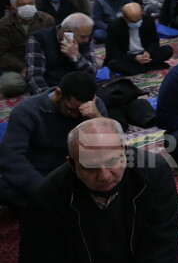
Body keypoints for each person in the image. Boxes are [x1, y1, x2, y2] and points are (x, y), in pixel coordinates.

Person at [18, 117, 178, 263]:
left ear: (124, 152)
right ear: (72, 164)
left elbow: (161, 245)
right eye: (90, 167)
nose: (104, 176)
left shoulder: (153, 174)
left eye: (112, 162)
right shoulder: (47, 197)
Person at [0, 72, 105, 209]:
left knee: (120, 170)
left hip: (73, 173)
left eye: (79, 112)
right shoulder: (27, 111)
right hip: (36, 174)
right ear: (58, 93)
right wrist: (44, 188)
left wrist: (96, 118)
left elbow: (106, 150)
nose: (74, 116)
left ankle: (51, 205)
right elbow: (10, 158)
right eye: (70, 110)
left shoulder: (94, 108)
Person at [25, 12, 96, 94]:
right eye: (83, 37)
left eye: (88, 36)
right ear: (67, 32)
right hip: (50, 89)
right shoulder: (39, 39)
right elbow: (34, 77)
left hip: (77, 88)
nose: (86, 40)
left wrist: (76, 56)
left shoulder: (85, 39)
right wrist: (49, 97)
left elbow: (92, 72)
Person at [0, 0, 55, 97]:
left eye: (30, 4)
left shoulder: (47, 19)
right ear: (13, 8)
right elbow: (2, 54)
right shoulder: (3, 25)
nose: (27, 7)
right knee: (10, 86)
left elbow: (52, 44)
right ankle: (35, 81)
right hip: (17, 64)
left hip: (42, 61)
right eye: (22, 5)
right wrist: (21, 67)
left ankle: (35, 81)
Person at [104, 2, 174, 76]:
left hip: (145, 55)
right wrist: (134, 57)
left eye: (138, 20)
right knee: (114, 64)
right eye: (132, 21)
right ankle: (152, 66)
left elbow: (154, 41)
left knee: (167, 49)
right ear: (124, 18)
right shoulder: (114, 26)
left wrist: (148, 52)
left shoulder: (148, 20)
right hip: (128, 57)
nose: (136, 23)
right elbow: (112, 52)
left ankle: (138, 69)